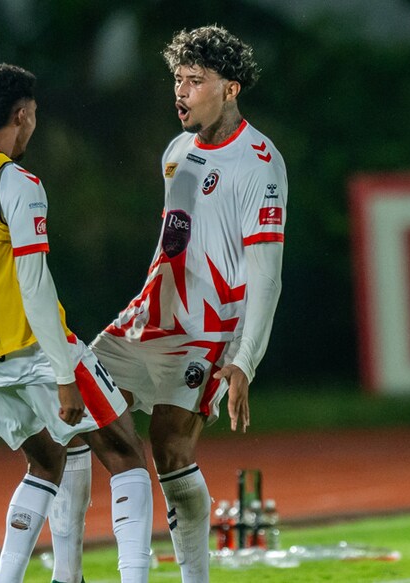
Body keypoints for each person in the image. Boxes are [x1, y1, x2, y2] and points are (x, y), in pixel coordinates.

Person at [0, 63, 153, 583]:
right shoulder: (15, 181)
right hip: (37, 352)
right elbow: (35, 285)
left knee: (46, 463)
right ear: (21, 115)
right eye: (34, 117)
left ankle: (48, 578)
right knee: (127, 453)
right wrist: (65, 372)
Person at [87, 26, 287, 581]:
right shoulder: (176, 151)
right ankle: (77, 569)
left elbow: (265, 276)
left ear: (231, 89)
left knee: (170, 448)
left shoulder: (260, 163)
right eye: (178, 79)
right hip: (149, 317)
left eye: (196, 81)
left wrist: (244, 359)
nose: (181, 92)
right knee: (80, 411)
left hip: (206, 330)